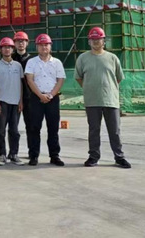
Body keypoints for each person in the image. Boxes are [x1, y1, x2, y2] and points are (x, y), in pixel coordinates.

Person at [75, 27, 131, 169]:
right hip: (92, 100)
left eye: (98, 39)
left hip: (111, 100)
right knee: (94, 130)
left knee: (115, 131)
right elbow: (79, 77)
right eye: (93, 39)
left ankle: (119, 157)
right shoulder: (83, 58)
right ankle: (93, 157)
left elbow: (118, 78)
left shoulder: (112, 58)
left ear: (104, 41)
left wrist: (108, 89)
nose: (95, 42)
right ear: (89, 41)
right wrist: (90, 87)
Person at [24, 34, 66, 166]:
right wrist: (40, 96)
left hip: (53, 99)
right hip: (36, 98)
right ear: (37, 47)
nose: (44, 47)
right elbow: (30, 80)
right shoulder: (32, 62)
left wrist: (51, 95)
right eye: (41, 45)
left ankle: (54, 156)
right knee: (34, 128)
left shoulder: (57, 62)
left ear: (50, 46)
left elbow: (60, 80)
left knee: (53, 128)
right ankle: (33, 156)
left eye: (46, 44)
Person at [0, 37, 24, 166]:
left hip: (15, 102)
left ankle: (14, 154)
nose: (7, 49)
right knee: (1, 130)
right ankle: (2, 155)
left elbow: (21, 84)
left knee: (14, 131)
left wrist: (21, 101)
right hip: (2, 102)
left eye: (9, 47)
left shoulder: (18, 65)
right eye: (4, 47)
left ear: (12, 49)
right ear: (1, 49)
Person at [11, 31, 32, 153]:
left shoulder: (32, 60)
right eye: (18, 41)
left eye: (23, 41)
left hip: (29, 97)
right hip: (13, 97)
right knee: (13, 127)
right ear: (14, 43)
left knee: (31, 126)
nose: (20, 43)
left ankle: (32, 152)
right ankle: (13, 152)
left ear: (27, 43)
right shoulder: (10, 59)